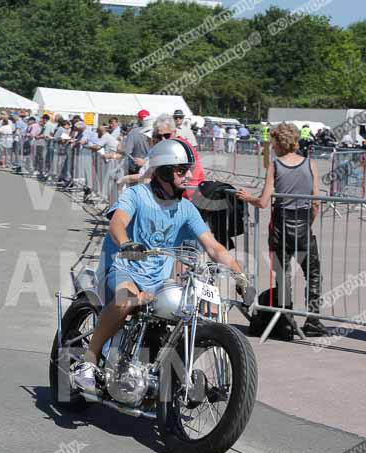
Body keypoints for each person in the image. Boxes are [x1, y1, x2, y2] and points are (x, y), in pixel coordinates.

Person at [72, 139, 250, 393]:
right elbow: (117, 223)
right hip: (123, 268)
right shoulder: (136, 195)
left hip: (158, 281)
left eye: (188, 170)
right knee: (125, 300)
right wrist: (126, 243)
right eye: (181, 170)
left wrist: (240, 275)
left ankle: (166, 375)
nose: (188, 176)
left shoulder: (186, 209)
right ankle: (88, 362)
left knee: (196, 312)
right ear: (165, 171)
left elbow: (213, 247)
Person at [236, 122, 328, 338]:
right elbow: (316, 202)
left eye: (273, 142)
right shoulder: (310, 164)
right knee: (313, 273)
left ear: (279, 143)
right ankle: (313, 319)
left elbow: (263, 202)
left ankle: (286, 322)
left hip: (280, 227)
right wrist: (308, 224)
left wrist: (248, 197)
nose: (272, 147)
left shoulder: (275, 166)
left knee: (282, 275)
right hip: (303, 225)